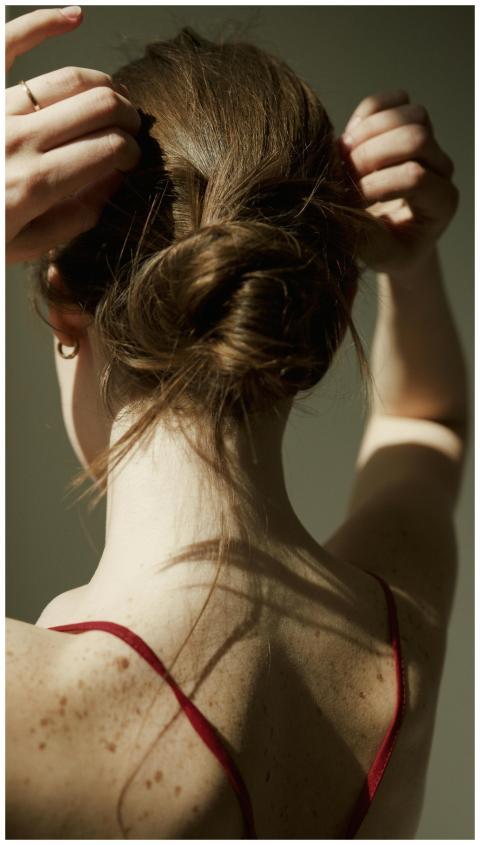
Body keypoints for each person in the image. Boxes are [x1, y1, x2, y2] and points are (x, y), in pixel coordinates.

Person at [6, 6, 468, 839]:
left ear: (67, 306)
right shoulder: (402, 638)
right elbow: (425, 421)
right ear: (318, 308)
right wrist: (413, 263)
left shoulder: (25, 704)